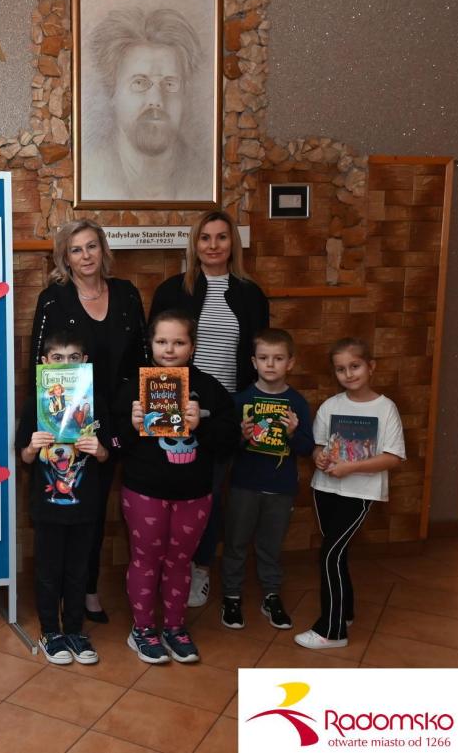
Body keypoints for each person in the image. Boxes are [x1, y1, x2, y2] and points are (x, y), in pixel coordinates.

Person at [150, 210, 270, 608]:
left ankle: (199, 567)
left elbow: (259, 355)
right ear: (195, 244)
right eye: (205, 238)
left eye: (221, 237)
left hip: (225, 410)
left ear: (233, 243)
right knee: (168, 489)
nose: (213, 245)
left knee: (210, 492)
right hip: (174, 401)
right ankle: (165, 567)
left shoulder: (250, 294)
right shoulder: (172, 290)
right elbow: (154, 352)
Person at [30, 219, 147, 623]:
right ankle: (63, 595)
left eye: (92, 246)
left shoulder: (127, 294)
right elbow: (40, 366)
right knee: (72, 506)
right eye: (76, 249)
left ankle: (89, 588)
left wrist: (141, 410)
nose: (86, 256)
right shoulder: (53, 299)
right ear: (65, 257)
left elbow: (143, 356)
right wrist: (45, 420)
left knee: (98, 509)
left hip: (120, 418)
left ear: (103, 249)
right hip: (70, 422)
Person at [114, 310, 238, 665]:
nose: (169, 350)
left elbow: (229, 442)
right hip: (144, 491)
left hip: (193, 493)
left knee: (180, 562)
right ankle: (142, 629)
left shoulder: (209, 388)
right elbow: (113, 444)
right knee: (145, 560)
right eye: (162, 341)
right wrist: (131, 426)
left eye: (179, 342)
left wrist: (202, 425)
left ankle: (174, 627)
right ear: (150, 344)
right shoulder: (133, 387)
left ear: (192, 347)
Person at [296, 338, 405, 650]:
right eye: (341, 369)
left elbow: (393, 457)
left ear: (371, 367)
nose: (349, 374)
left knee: (329, 554)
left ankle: (331, 632)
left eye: (354, 366)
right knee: (337, 553)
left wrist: (351, 467)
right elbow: (318, 446)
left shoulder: (385, 408)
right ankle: (345, 613)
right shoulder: (331, 406)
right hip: (325, 489)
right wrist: (319, 457)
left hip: (360, 493)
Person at [16, 330, 111, 665]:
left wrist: (99, 450)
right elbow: (24, 457)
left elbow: (109, 454)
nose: (65, 363)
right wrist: (32, 446)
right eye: (57, 357)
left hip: (85, 507)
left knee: (77, 571)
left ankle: (74, 629)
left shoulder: (96, 402)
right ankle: (50, 632)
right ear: (45, 362)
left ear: (84, 362)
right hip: (47, 508)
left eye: (73, 357)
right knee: (48, 571)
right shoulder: (35, 403)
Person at [220, 329, 314, 631]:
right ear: (254, 362)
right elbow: (225, 447)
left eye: (278, 358)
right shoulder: (241, 400)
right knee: (235, 543)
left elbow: (307, 448)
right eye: (264, 358)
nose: (270, 364)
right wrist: (241, 436)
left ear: (291, 362)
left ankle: (271, 596)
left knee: (271, 546)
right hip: (244, 485)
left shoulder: (297, 403)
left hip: (281, 488)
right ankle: (231, 596)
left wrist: (292, 434)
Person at [83, 6, 208, 201]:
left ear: (184, 93)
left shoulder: (205, 177)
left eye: (169, 83)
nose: (156, 101)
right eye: (139, 83)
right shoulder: (89, 173)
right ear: (112, 92)